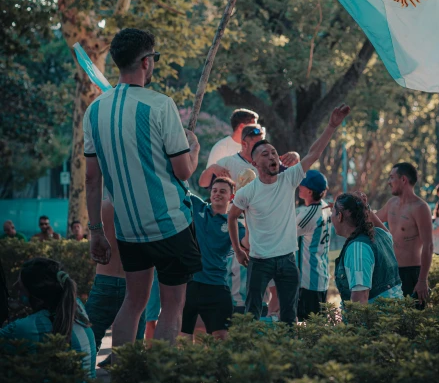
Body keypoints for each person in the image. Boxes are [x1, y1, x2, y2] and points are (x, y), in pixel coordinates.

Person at [83, 28, 202, 350]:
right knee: (172, 306)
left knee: (132, 304)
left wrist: (96, 231)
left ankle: (125, 378)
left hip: (128, 229)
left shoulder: (94, 110)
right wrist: (193, 150)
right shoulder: (161, 106)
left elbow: (92, 180)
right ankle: (158, 381)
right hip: (170, 224)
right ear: (147, 62)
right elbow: (183, 171)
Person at [228, 104, 351, 326]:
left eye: (274, 152)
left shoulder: (289, 179)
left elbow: (314, 153)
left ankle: (288, 351)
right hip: (259, 261)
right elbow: (231, 217)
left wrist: (331, 126)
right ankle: (248, 352)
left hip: (287, 260)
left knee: (289, 316)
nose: (272, 156)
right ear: (255, 163)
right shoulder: (248, 192)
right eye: (265, 154)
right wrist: (238, 250)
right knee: (252, 313)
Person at [0, 257, 96, 376]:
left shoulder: (25, 327)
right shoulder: (76, 307)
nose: (15, 286)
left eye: (20, 287)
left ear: (35, 296)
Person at [181, 177, 246, 340]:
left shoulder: (235, 225)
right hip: (190, 283)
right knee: (184, 336)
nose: (217, 194)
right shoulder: (196, 206)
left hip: (216, 285)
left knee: (221, 336)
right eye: (214, 190)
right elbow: (178, 186)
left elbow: (247, 245)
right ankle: (185, 365)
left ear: (232, 197)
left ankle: (217, 366)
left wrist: (250, 212)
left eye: (223, 191)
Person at [85, 199, 145, 353]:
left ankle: (85, 375)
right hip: (135, 282)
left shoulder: (104, 206)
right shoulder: (144, 206)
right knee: (133, 347)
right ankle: (127, 376)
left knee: (88, 341)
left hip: (105, 279)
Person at [376, 163, 433, 305]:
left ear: (403, 180)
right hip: (390, 273)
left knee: (411, 323)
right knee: (389, 321)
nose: (389, 182)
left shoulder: (420, 207)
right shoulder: (391, 203)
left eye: (391, 178)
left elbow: (429, 245)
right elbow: (372, 219)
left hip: (411, 274)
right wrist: (350, 208)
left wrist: (422, 280)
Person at [332, 193, 403, 307]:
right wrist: (365, 207)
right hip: (393, 318)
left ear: (339, 216)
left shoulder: (358, 248)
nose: (331, 217)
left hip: (375, 322)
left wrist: (350, 324)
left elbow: (360, 299)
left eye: (332, 212)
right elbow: (385, 232)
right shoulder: (381, 235)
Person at [296, 170, 332, 320]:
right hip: (320, 276)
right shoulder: (324, 207)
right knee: (316, 326)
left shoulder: (308, 214)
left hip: (309, 280)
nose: (298, 186)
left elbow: (285, 234)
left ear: (309, 192)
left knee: (310, 327)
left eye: (302, 185)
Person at [200, 125, 265, 188]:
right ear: (244, 144)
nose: (261, 147)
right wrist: (211, 168)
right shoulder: (227, 162)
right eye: (257, 144)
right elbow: (203, 184)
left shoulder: (266, 165)